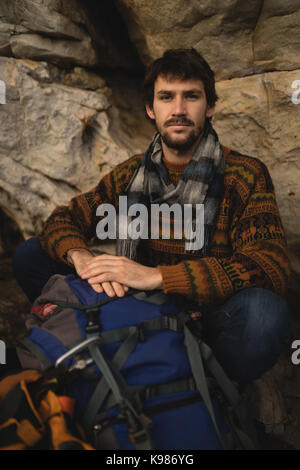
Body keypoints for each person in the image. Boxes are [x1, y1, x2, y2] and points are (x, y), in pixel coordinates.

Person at [13, 49, 291, 386]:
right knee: (32, 255)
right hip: (138, 309)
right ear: (150, 108)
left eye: (191, 96)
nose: (178, 109)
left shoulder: (244, 174)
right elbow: (62, 221)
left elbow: (269, 265)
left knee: (264, 315)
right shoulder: (131, 174)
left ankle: (205, 395)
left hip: (208, 319)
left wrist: (158, 276)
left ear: (210, 106)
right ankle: (86, 357)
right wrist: (82, 258)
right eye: (166, 97)